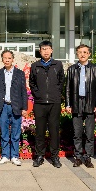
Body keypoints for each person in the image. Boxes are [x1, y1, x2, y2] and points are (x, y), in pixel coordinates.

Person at [65, 44, 96, 168]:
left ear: (89, 54)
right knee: (77, 133)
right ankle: (78, 156)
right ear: (77, 54)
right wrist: (68, 104)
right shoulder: (72, 69)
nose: (82, 54)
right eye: (80, 52)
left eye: (85, 52)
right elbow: (68, 88)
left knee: (89, 133)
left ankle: (88, 157)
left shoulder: (95, 69)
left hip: (90, 103)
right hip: (76, 103)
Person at [29, 40, 65, 168]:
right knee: (40, 131)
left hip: (54, 103)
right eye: (43, 49)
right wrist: (38, 95)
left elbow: (61, 81)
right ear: (40, 51)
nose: (46, 51)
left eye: (48, 49)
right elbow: (32, 83)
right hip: (40, 103)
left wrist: (56, 94)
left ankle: (55, 156)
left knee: (54, 131)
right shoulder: (35, 66)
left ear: (52, 50)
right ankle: (39, 156)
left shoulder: (58, 65)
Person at [0, 50, 28, 166]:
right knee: (4, 132)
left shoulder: (20, 73)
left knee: (16, 133)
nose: (7, 60)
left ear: (13, 59)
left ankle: (15, 156)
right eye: (5, 58)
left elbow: (23, 91)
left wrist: (24, 108)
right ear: (2, 59)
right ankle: (5, 155)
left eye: (9, 58)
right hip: (3, 107)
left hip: (16, 106)